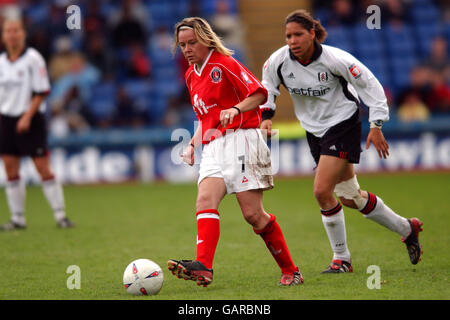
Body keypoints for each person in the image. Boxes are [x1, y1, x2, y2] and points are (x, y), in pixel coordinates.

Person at [260, 9, 423, 273]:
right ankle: (407, 227)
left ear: (312, 34)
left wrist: (376, 124)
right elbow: (267, 86)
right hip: (314, 130)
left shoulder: (335, 59)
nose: (292, 40)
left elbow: (370, 85)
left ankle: (342, 259)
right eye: (288, 35)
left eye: (298, 34)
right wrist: (267, 115)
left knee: (322, 191)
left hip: (343, 123)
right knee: (349, 197)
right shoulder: (278, 61)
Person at [167, 17, 303, 287]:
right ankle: (203, 266)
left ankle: (291, 270)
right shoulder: (190, 74)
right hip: (215, 145)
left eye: (191, 42)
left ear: (205, 39)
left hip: (243, 140)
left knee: (253, 215)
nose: (187, 49)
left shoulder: (224, 63)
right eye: (182, 45)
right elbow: (205, 118)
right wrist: (193, 144)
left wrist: (237, 109)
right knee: (204, 201)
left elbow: (260, 93)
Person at [0, 19, 74, 230]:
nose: (12, 35)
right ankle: (17, 218)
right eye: (8, 31)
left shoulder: (33, 59)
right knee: (10, 168)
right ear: (4, 36)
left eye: (16, 31)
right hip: (6, 119)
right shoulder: (2, 62)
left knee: (42, 167)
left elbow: (42, 91)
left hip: (31, 119)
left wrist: (26, 116)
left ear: (23, 34)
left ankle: (61, 216)